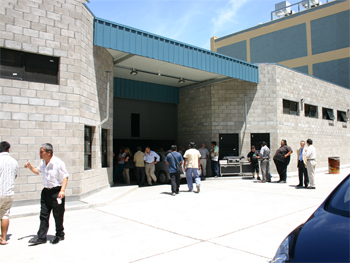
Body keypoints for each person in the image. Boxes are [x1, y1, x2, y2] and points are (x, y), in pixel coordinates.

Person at [24, 143, 69, 245]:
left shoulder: (58, 162)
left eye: (41, 152)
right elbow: (38, 171)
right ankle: (41, 237)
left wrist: (62, 190)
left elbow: (65, 176)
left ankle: (59, 235)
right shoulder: (43, 162)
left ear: (49, 153)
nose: (39, 153)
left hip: (56, 192)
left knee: (58, 215)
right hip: (45, 192)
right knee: (43, 215)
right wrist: (31, 167)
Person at [0, 141, 18, 245]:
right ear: (8, 149)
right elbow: (15, 176)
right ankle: (3, 238)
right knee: (5, 215)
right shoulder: (14, 162)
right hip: (9, 193)